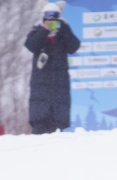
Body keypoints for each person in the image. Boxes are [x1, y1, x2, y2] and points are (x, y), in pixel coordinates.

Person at [24, 1, 80, 134]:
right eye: (48, 16)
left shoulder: (63, 34)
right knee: (39, 128)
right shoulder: (37, 31)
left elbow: (74, 47)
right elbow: (31, 45)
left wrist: (64, 27)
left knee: (57, 131)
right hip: (40, 91)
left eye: (55, 17)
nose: (51, 21)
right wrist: (44, 30)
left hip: (59, 88)